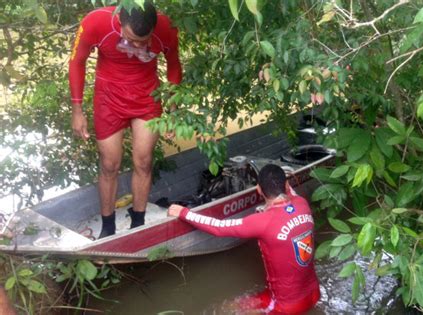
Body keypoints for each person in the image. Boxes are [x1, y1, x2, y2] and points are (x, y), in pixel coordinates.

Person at [69, 1, 182, 238]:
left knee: (143, 161)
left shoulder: (166, 27)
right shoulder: (96, 22)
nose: (139, 45)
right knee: (110, 164)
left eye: (144, 40)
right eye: (132, 39)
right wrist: (77, 110)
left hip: (147, 97)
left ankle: (138, 224)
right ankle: (108, 226)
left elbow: (173, 65)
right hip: (108, 99)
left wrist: (173, 110)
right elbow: (77, 61)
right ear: (120, 21)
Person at [168, 164, 320, 314]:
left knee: (225, 309)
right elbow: (290, 194)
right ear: (286, 184)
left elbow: (219, 227)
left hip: (285, 306)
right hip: (314, 294)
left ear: (259, 189)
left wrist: (184, 213)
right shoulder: (302, 203)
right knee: (236, 306)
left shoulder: (261, 221)